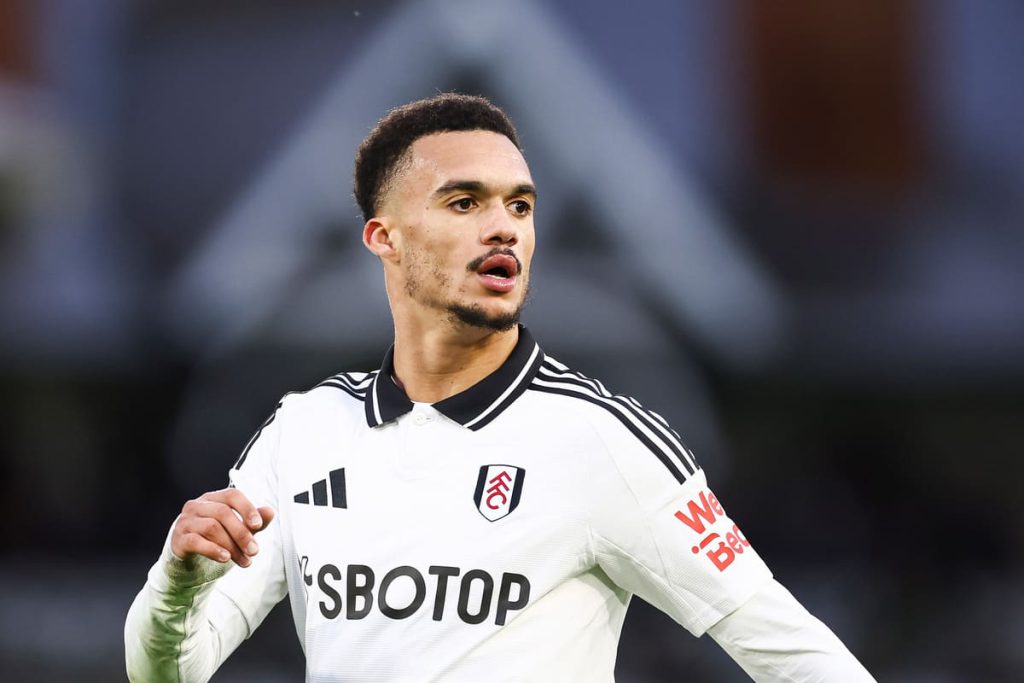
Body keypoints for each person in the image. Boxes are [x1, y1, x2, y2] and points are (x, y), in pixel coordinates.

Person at [125, 93, 875, 682]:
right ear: (384, 237)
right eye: (465, 203)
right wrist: (177, 584)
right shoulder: (305, 430)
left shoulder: (600, 439)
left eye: (520, 205)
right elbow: (168, 670)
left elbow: (794, 651)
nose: (505, 228)